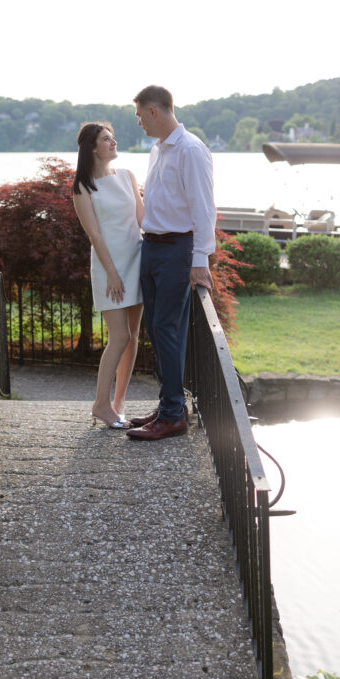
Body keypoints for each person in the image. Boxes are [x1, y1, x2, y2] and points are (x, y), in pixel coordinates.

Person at [127, 85, 216, 441]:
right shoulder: (157, 150)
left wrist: (200, 259)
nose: (138, 123)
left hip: (177, 250)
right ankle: (169, 404)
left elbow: (203, 207)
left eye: (138, 115)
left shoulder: (191, 150)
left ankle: (173, 414)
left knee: (167, 329)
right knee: (157, 329)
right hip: (153, 247)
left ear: (153, 111)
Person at [72, 122, 144, 429]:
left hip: (137, 260)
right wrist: (113, 275)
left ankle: (118, 404)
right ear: (92, 147)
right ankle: (101, 404)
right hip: (108, 267)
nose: (113, 142)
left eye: (113, 137)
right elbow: (95, 236)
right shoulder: (82, 188)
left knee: (133, 338)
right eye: (106, 139)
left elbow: (144, 220)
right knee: (120, 337)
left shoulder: (128, 176)